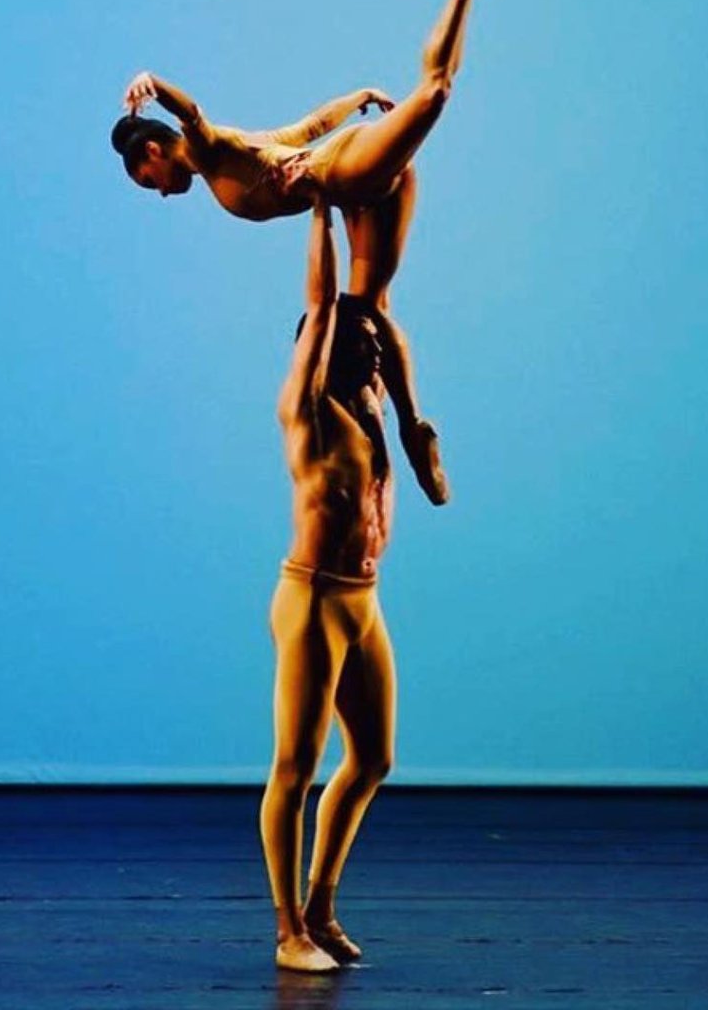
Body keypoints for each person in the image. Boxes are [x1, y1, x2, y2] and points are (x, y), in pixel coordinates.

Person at [111, 0, 492, 503]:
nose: (158, 193)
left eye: (146, 180)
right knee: (367, 311)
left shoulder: (206, 150)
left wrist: (154, 85)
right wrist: (358, 96)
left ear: (153, 153)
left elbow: (194, 113)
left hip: (345, 168)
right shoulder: (239, 152)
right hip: (350, 198)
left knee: (434, 93)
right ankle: (411, 429)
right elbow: (306, 127)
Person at [260, 199, 398, 972]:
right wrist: (318, 208)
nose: (374, 354)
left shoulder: (370, 411)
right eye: (361, 345)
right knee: (295, 767)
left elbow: (377, 307)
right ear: (325, 350)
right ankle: (289, 934)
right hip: (312, 599)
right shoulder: (306, 411)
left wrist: (363, 214)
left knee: (373, 758)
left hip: (362, 600)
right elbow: (322, 305)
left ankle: (321, 908)